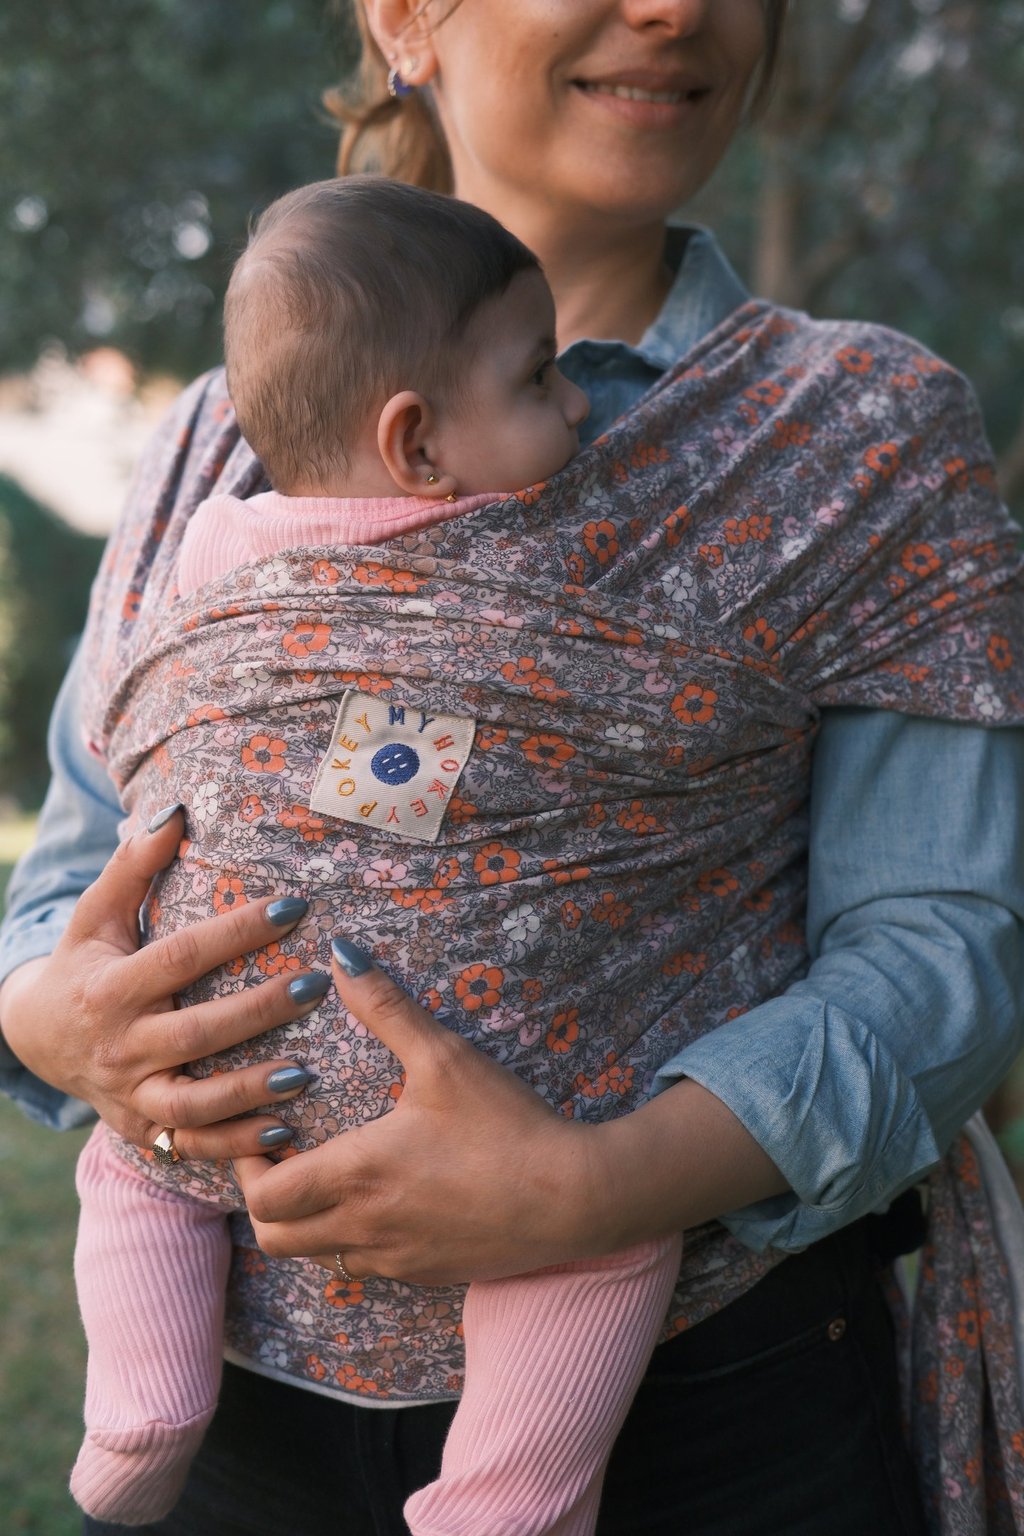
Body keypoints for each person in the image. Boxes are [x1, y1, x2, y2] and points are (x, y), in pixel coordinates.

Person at [1, 4, 1023, 1533]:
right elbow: (75, 866)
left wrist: (595, 1195)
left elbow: (941, 948)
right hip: (243, 1417)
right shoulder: (220, 436)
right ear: (408, 17)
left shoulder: (861, 435)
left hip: (706, 1416)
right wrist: (53, 1017)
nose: (677, 6)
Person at [70, 174, 684, 1536]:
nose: (578, 406)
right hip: (494, 1086)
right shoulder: (540, 569)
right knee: (612, 1231)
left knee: (135, 1169)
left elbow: (141, 733)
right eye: (539, 379)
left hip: (227, 1062)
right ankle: (507, 1502)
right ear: (416, 449)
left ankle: (142, 1408)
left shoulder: (208, 551)